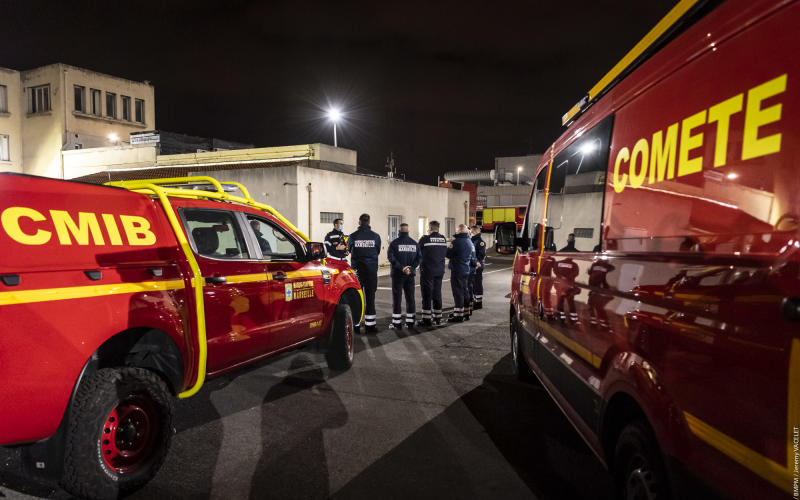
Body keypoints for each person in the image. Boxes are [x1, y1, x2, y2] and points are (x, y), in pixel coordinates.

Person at [348, 213, 381, 333]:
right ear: (369, 222)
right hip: (371, 271)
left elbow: (350, 250)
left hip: (357, 271)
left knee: (356, 298)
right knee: (370, 297)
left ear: (359, 222)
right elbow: (377, 251)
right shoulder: (376, 237)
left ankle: (356, 325)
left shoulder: (353, 236)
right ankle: (370, 325)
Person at [387, 223, 421, 330]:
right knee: (410, 298)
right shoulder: (415, 244)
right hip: (410, 275)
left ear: (399, 232)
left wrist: (402, 268)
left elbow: (391, 258)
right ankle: (410, 322)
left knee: (397, 298)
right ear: (408, 231)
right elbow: (419, 259)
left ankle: (397, 324)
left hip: (398, 275)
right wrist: (410, 269)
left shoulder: (394, 244)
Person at [418, 221, 448, 327]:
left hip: (427, 271)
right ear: (438, 228)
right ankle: (438, 317)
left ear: (430, 228)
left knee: (427, 294)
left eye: (428, 228)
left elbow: (418, 252)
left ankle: (426, 319)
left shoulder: (425, 239)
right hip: (439, 271)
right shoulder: (443, 239)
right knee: (437, 293)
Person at [446, 224, 476, 323]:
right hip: (466, 269)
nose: (455, 232)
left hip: (457, 269)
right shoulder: (470, 242)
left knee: (458, 292)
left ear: (459, 231)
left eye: (456, 230)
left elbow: (448, 254)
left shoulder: (456, 242)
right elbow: (472, 256)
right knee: (465, 291)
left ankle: (458, 316)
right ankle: (466, 313)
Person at [469, 225, 486, 310]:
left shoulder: (480, 241)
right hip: (474, 264)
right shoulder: (473, 240)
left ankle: (478, 303)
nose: (470, 233)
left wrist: (477, 263)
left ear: (475, 232)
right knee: (473, 283)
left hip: (478, 265)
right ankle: (475, 300)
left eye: (471, 232)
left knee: (477, 283)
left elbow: (481, 254)